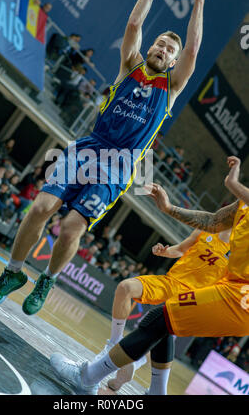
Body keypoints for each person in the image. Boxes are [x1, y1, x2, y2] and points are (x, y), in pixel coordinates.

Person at [0, 0, 208, 317]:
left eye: (170, 51)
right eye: (160, 44)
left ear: (172, 62)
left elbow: (193, 51)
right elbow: (135, 22)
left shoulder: (170, 87)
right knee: (41, 207)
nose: (163, 50)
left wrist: (199, 0)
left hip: (119, 166)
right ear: (150, 48)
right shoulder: (130, 65)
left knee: (71, 228)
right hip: (89, 147)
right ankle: (11, 273)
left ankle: (47, 280)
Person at [48, 155, 249, 394]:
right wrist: (168, 208)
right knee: (164, 322)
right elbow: (213, 220)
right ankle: (154, 391)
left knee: (157, 320)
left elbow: (231, 185)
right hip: (226, 287)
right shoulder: (240, 208)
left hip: (240, 295)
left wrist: (233, 178)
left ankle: (88, 377)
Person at [95, 227, 230, 393]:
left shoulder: (240, 251)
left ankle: (135, 367)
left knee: (161, 327)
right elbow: (180, 249)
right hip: (171, 282)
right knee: (125, 287)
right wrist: (165, 251)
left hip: (193, 298)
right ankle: (113, 345)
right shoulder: (208, 226)